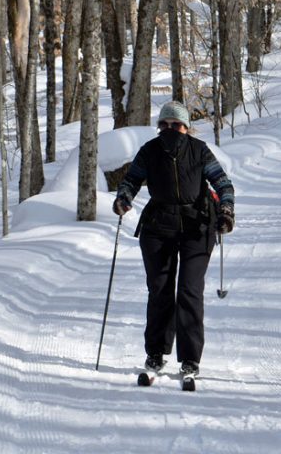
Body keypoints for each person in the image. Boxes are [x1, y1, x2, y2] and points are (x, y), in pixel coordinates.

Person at [112, 100, 235, 379]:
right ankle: (156, 352)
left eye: (176, 125)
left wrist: (225, 212)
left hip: (197, 227)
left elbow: (223, 184)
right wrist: (123, 199)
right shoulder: (150, 151)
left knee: (189, 291)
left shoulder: (199, 151)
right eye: (164, 124)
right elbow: (131, 180)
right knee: (160, 290)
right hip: (158, 227)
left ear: (186, 128)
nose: (170, 129)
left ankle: (190, 358)